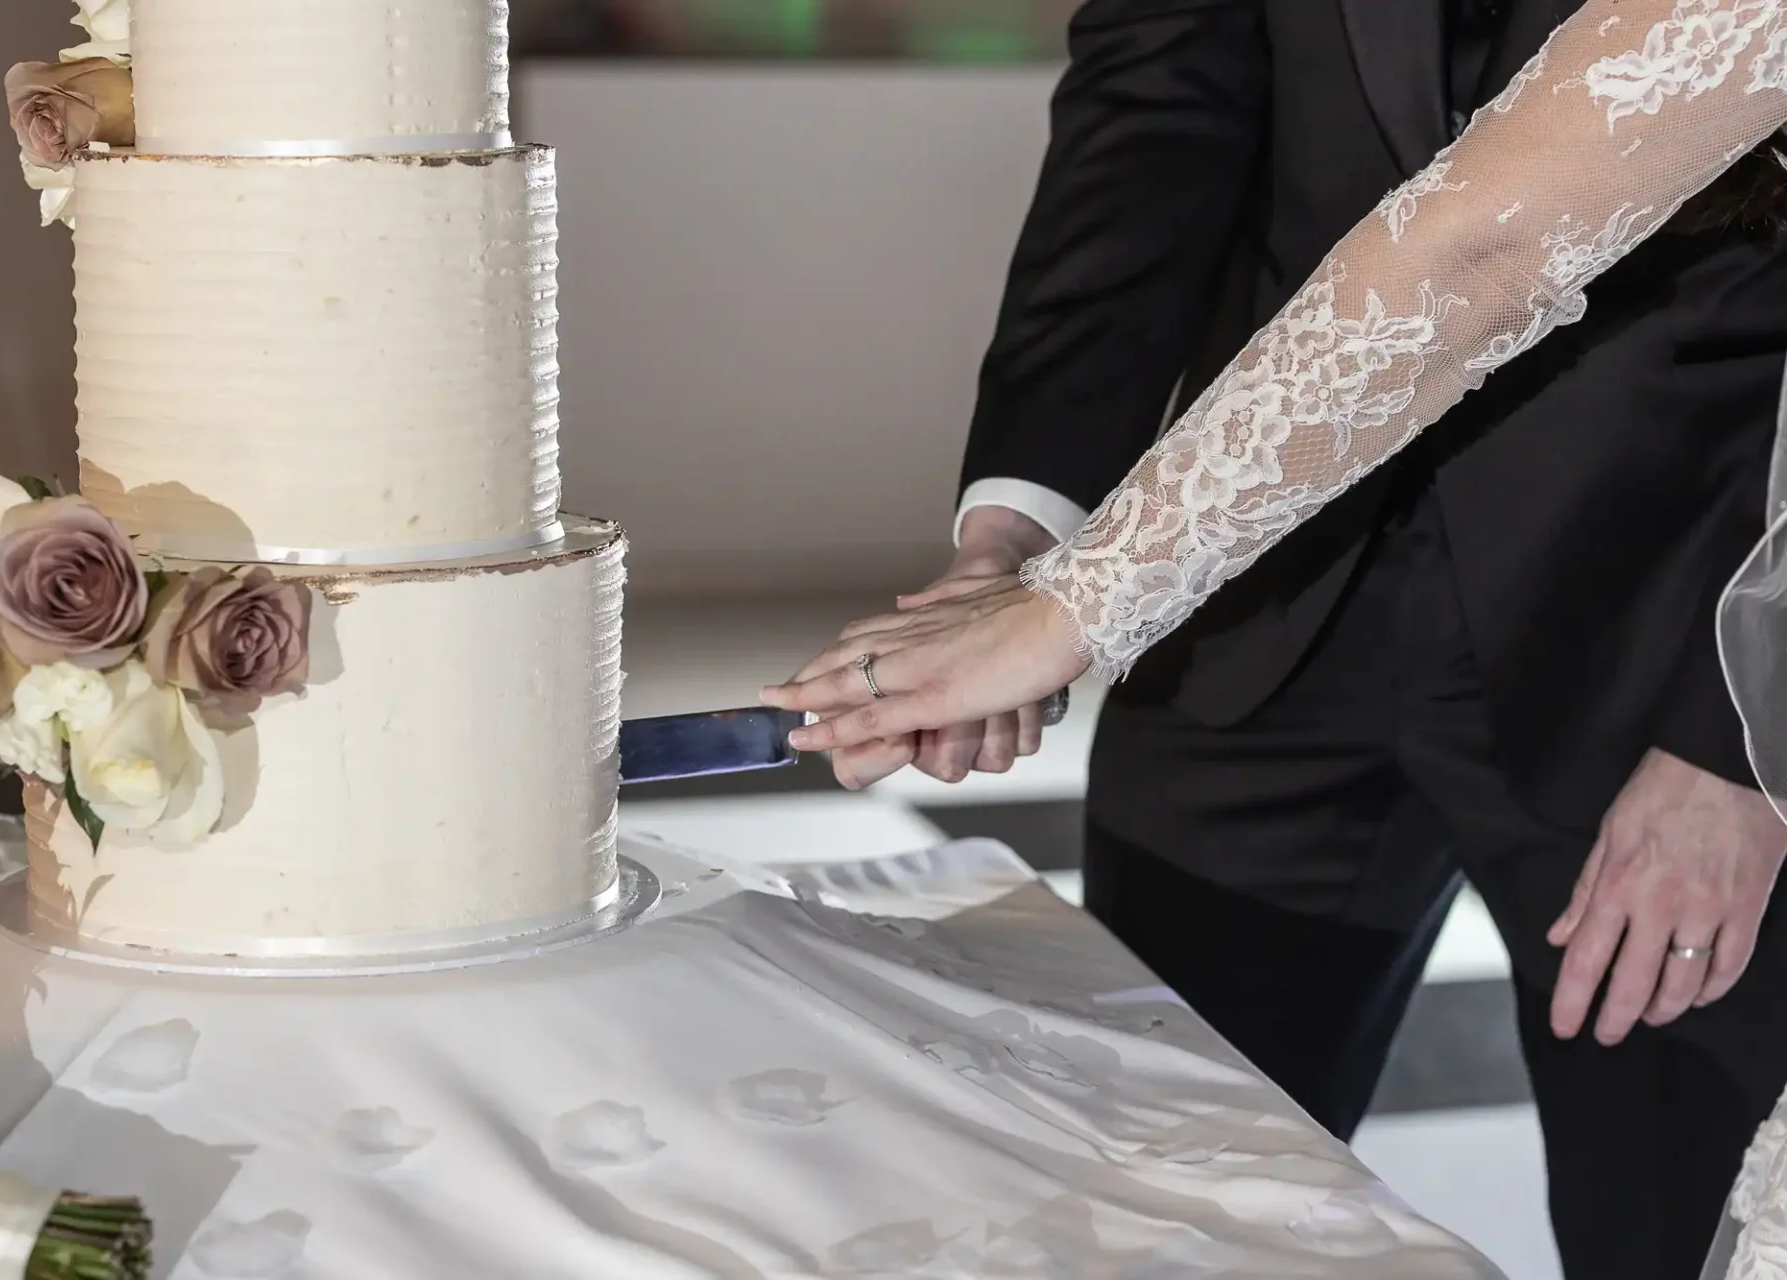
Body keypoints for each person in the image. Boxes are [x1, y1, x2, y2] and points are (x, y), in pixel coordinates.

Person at [762, 3, 1787, 1277]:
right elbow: (1151, 117)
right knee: (1154, 1203)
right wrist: (1022, 540)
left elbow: (1484, 244)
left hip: (1682, 622)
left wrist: (1746, 732)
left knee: (1680, 1221)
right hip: (1255, 603)